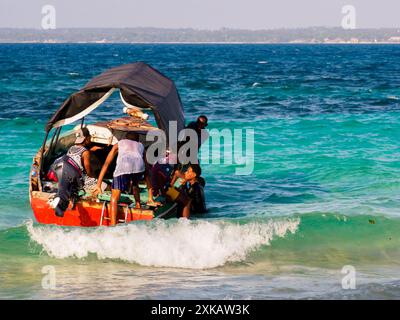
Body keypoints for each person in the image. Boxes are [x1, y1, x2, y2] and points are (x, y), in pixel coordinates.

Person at [50, 127, 106, 217]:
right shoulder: (85, 152)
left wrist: (91, 150)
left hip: (67, 174)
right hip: (80, 179)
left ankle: (60, 201)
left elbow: (77, 157)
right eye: (89, 137)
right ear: (86, 138)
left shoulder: (72, 147)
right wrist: (97, 178)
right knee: (106, 186)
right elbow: (88, 172)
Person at [95, 131, 145, 226]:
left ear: (125, 138)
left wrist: (98, 185)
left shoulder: (120, 143)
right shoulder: (140, 146)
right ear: (137, 140)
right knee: (135, 185)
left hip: (123, 166)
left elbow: (106, 164)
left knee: (114, 197)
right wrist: (150, 197)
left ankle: (113, 224)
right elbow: (147, 169)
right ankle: (138, 206)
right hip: (139, 166)